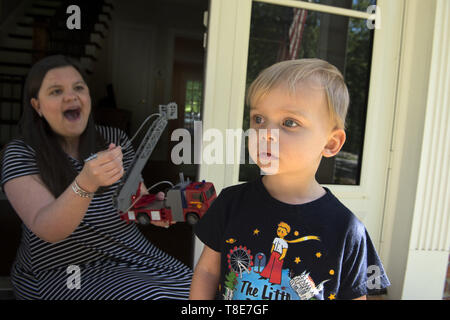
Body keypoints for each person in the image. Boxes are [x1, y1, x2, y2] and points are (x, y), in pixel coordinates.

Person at [190, 59, 390, 300]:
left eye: (289, 123)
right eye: (259, 119)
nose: (266, 134)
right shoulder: (231, 202)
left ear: (331, 142)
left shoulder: (347, 229)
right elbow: (208, 271)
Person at [1, 55, 192, 300]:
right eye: (56, 91)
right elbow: (47, 229)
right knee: (152, 297)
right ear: (37, 105)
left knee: (197, 290)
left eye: (78, 88)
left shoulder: (115, 138)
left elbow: (137, 197)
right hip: (60, 271)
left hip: (134, 255)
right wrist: (86, 183)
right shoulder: (21, 152)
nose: (71, 96)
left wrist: (156, 208)